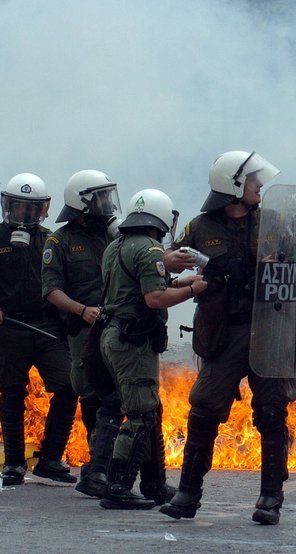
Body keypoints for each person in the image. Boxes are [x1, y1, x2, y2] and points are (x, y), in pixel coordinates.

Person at [160, 150, 295, 525]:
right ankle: (187, 495)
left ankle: (270, 498)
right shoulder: (200, 227)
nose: (260, 186)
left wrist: (287, 262)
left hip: (267, 328)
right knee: (204, 409)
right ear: (233, 185)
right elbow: (168, 259)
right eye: (253, 180)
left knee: (272, 411)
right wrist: (171, 261)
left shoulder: (272, 221)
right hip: (224, 331)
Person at [0, 173, 78, 486]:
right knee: (12, 393)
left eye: (31, 207)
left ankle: (50, 459)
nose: (24, 213)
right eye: (18, 206)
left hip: (47, 326)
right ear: (7, 205)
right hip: (7, 326)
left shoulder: (52, 239)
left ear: (42, 209)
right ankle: (13, 464)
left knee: (68, 386)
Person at [98, 188, 207, 510]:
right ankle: (117, 485)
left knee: (151, 412)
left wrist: (184, 283)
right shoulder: (150, 249)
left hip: (115, 335)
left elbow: (143, 285)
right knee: (141, 414)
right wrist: (193, 291)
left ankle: (154, 484)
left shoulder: (116, 246)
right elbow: (155, 298)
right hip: (133, 342)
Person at [42, 169, 124, 498]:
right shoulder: (59, 241)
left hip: (117, 327)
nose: (107, 203)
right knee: (90, 394)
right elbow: (52, 290)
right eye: (100, 197)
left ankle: (109, 466)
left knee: (120, 396)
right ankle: (97, 464)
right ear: (83, 202)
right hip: (83, 331)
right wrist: (81, 310)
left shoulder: (114, 234)